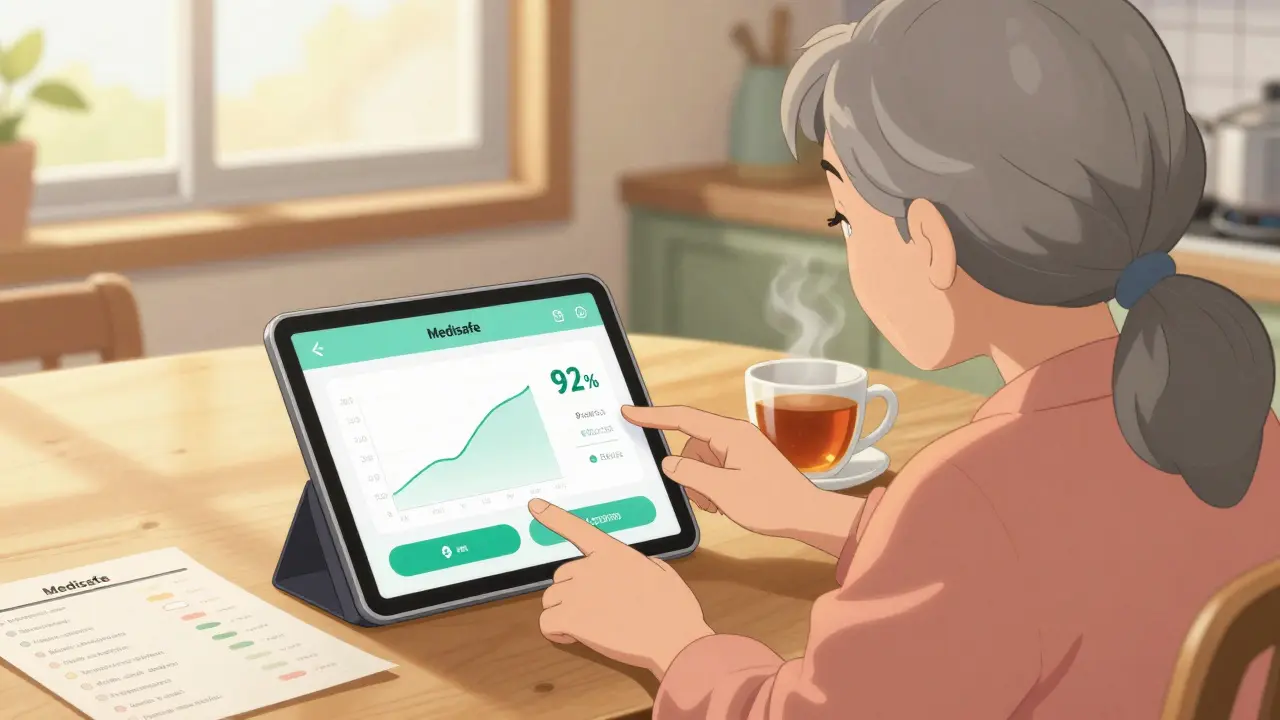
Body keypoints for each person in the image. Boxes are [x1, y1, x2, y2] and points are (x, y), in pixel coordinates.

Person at [527, 0, 1280, 717]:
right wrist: (817, 515)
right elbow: (1045, 570)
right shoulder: (1234, 425)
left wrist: (674, 641)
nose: (846, 243)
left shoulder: (973, 496)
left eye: (845, 219)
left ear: (929, 240)